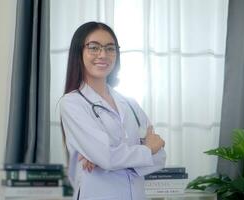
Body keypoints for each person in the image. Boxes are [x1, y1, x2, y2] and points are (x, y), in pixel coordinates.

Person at [60, 21, 166, 200]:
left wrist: (106, 161)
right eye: (94, 47)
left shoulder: (130, 104)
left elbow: (160, 157)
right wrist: (146, 151)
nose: (103, 54)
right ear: (79, 52)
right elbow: (107, 157)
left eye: (110, 48)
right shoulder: (72, 103)